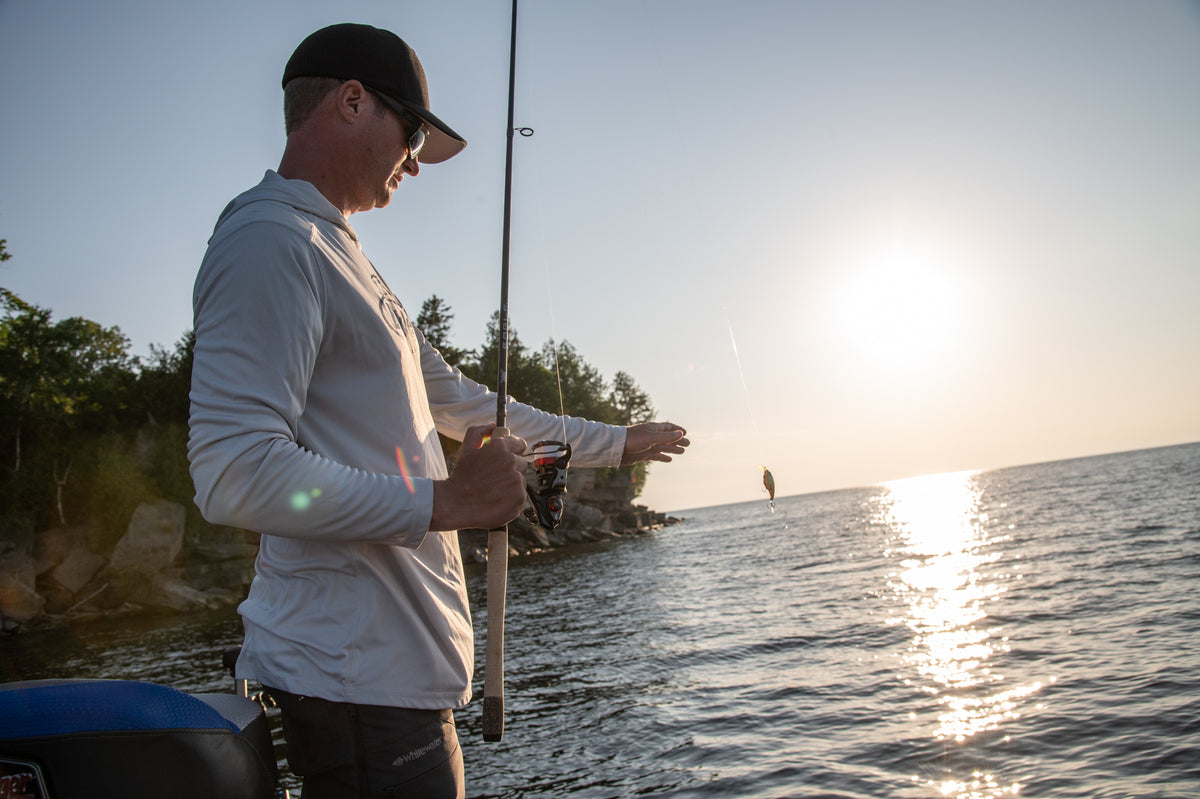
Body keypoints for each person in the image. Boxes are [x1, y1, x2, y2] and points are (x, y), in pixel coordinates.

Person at [187, 22, 689, 799]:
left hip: (394, 684)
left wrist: (615, 443)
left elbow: (468, 404)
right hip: (353, 684)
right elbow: (234, 471)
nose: (416, 163)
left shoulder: (342, 257)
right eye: (412, 131)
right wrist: (447, 500)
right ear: (352, 103)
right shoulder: (270, 240)